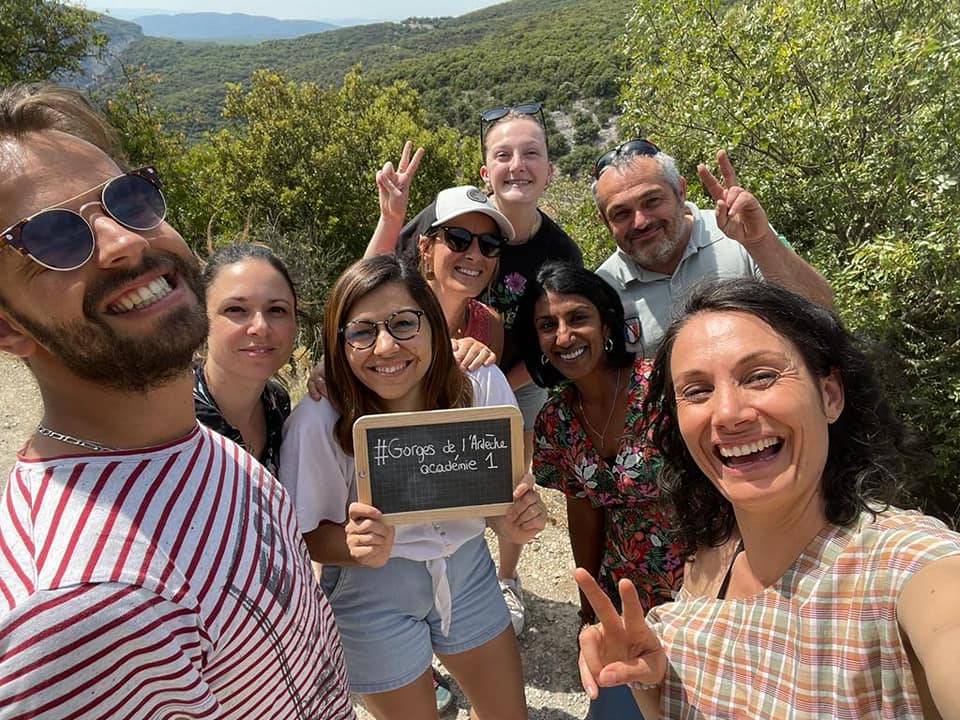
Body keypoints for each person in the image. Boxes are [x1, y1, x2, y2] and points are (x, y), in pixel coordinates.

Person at [0, 83, 353, 718]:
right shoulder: (75, 613)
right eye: (52, 238)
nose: (124, 241)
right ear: (7, 326)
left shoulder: (203, 445)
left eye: (128, 199)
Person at [575, 278, 960, 719]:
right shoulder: (708, 563)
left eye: (761, 376)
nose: (729, 414)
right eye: (698, 391)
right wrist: (652, 684)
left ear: (830, 395)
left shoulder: (902, 565)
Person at [279, 254, 546, 720]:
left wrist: (516, 523)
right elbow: (303, 533)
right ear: (338, 343)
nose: (385, 347)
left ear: (433, 326)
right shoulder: (317, 422)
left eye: (403, 323)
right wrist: (350, 545)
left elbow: (503, 503)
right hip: (369, 591)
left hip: (469, 575)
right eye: (361, 332)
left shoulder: (481, 387)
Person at [386, 103, 584, 633]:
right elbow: (378, 281)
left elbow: (556, 344)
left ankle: (506, 577)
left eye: (532, 154)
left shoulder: (560, 250)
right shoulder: (452, 215)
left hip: (511, 371)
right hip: (426, 359)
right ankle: (413, 577)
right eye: (503, 154)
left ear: (549, 169)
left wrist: (494, 373)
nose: (517, 165)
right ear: (485, 170)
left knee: (510, 481)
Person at [516, 262, 683, 720]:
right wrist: (589, 604)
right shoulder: (557, 419)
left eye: (578, 318)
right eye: (547, 325)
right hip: (624, 594)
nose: (564, 335)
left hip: (700, 587)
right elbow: (583, 509)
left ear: (606, 323)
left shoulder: (665, 390)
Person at [592, 139, 833, 355]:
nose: (641, 221)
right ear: (604, 221)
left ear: (680, 191)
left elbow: (821, 312)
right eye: (621, 213)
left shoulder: (739, 234)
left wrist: (760, 242)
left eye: (652, 201)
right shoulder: (602, 287)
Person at [194, 242, 296, 477]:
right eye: (236, 309)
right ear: (200, 319)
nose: (260, 327)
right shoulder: (177, 418)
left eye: (277, 310)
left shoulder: (277, 403)